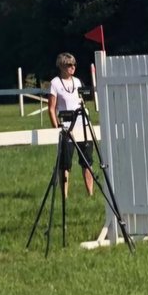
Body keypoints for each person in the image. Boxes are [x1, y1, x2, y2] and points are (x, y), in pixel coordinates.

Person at [48, 52, 94, 198]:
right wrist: (56, 127)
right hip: (66, 126)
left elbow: (81, 101)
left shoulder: (78, 81)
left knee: (87, 161)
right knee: (65, 164)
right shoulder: (55, 83)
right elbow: (51, 108)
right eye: (69, 65)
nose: (72, 67)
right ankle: (65, 196)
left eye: (74, 64)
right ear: (61, 66)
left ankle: (90, 194)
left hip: (83, 125)